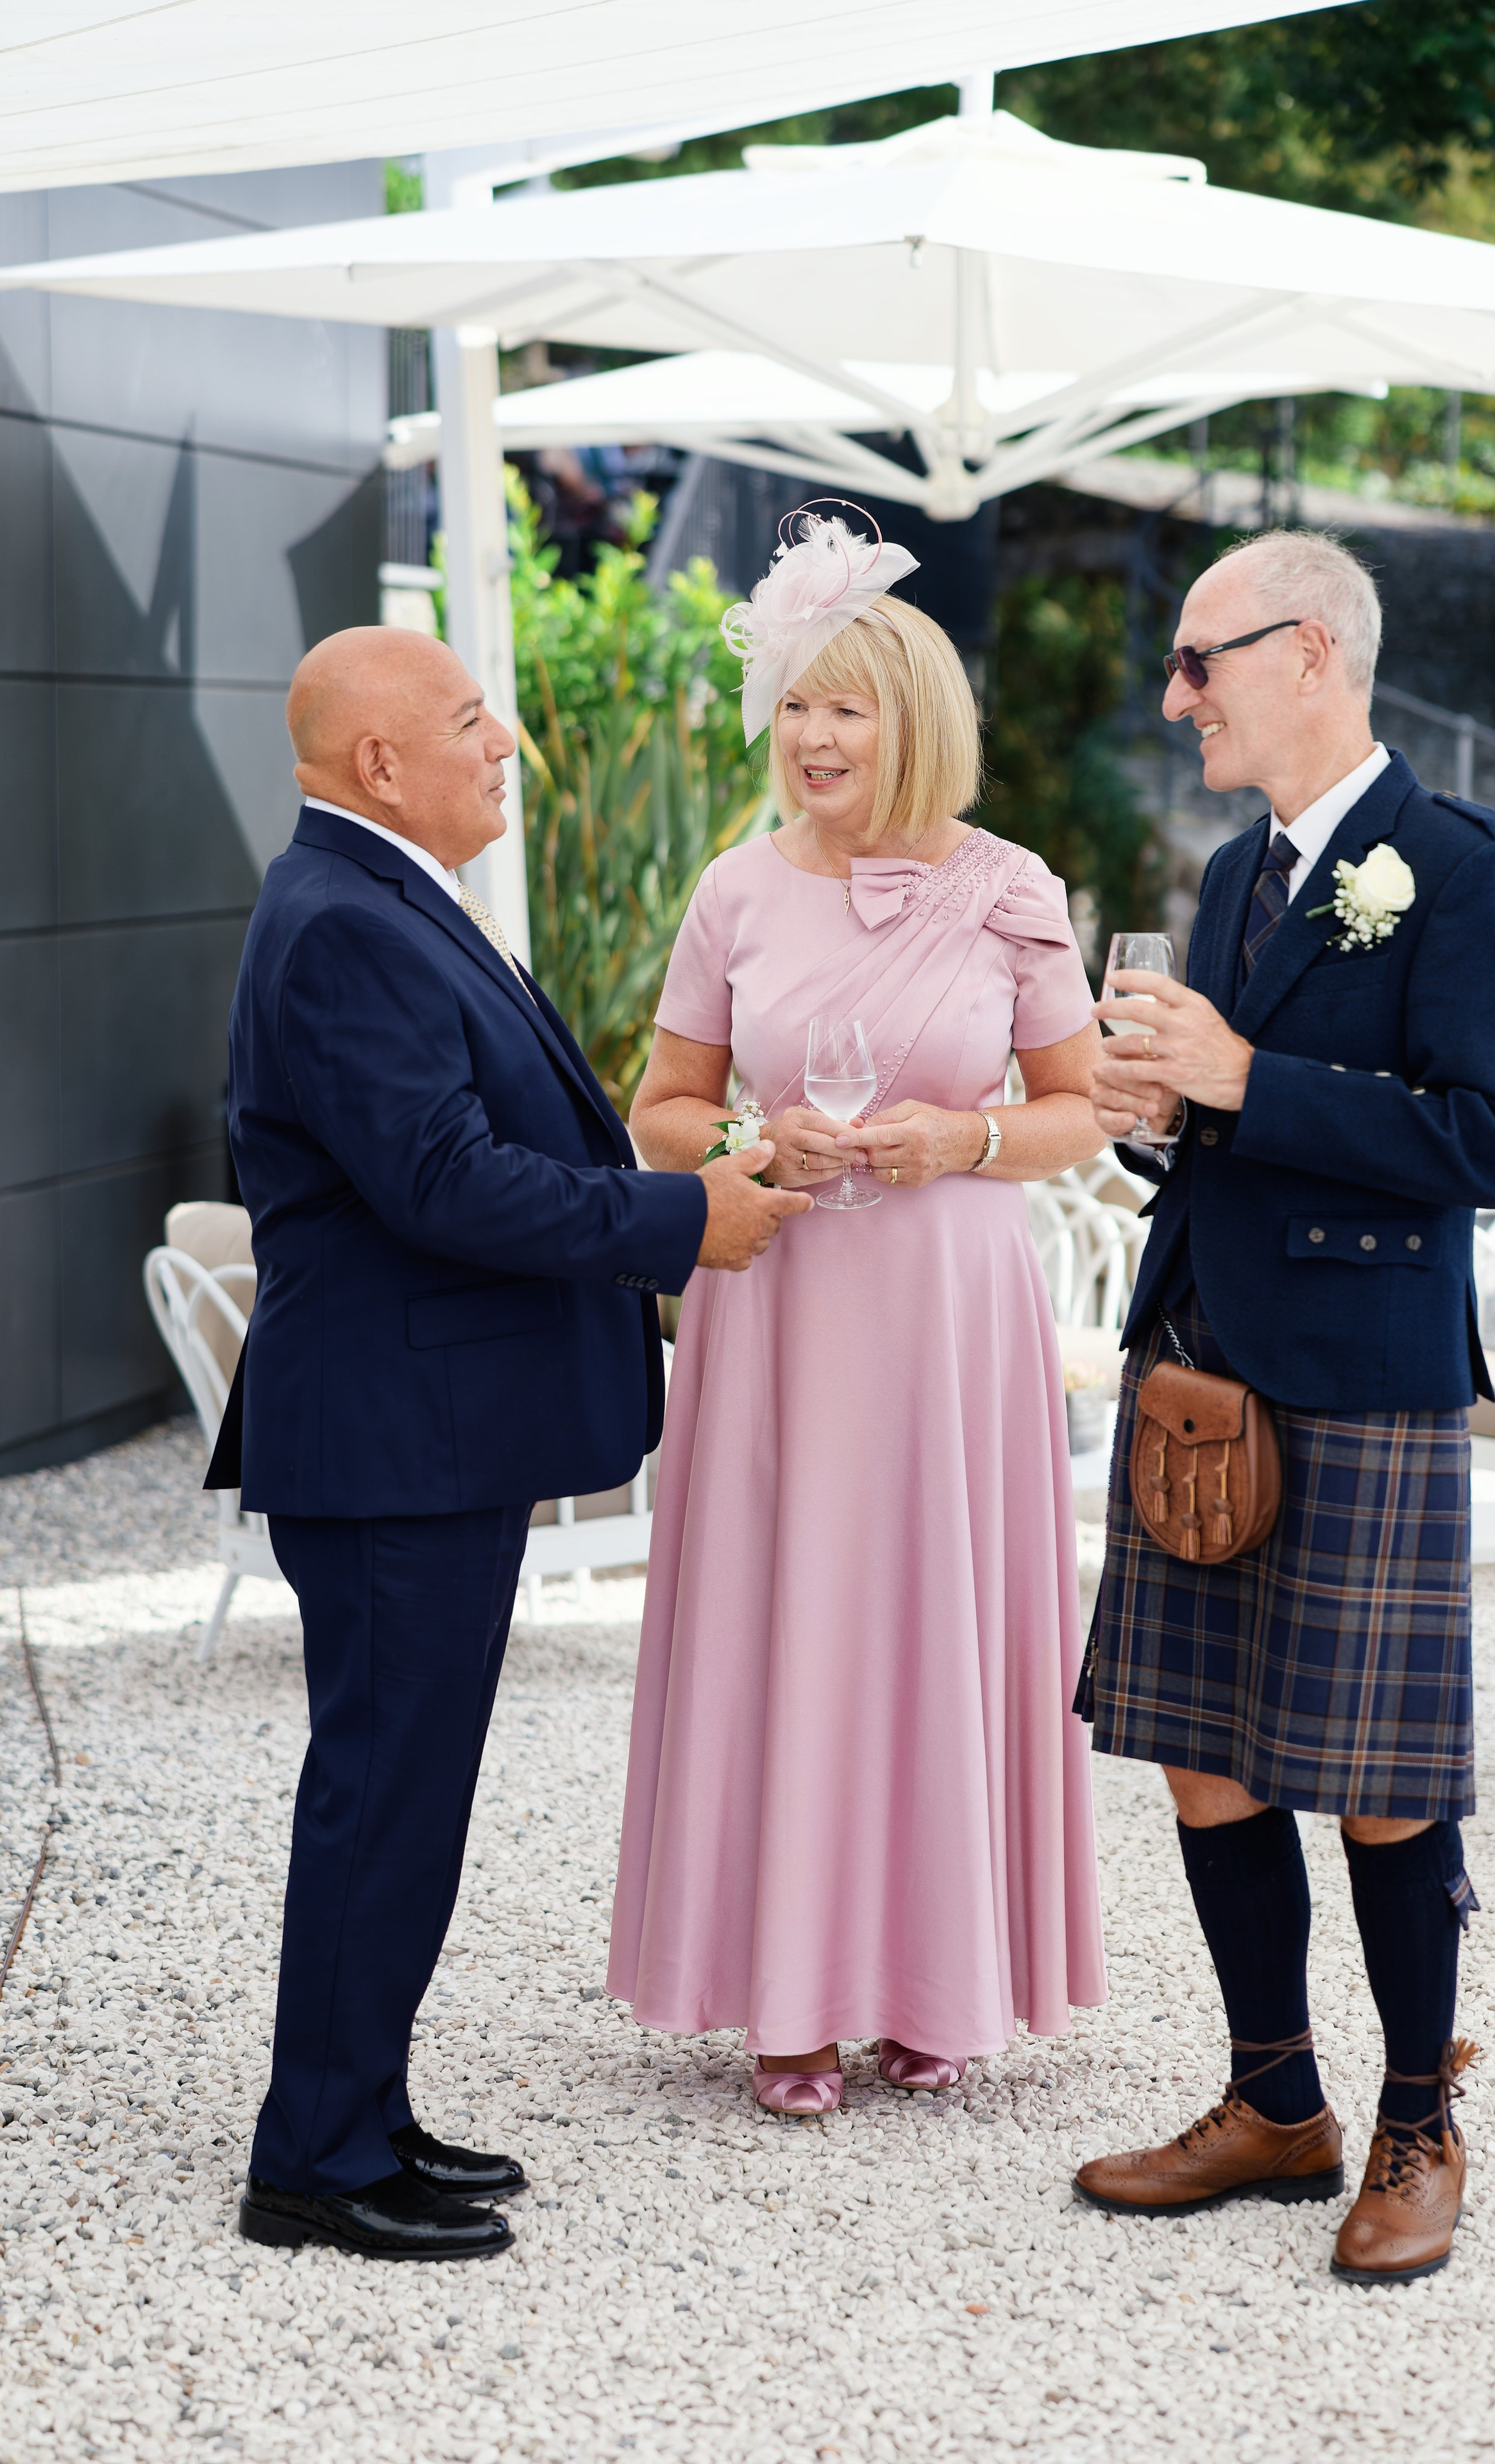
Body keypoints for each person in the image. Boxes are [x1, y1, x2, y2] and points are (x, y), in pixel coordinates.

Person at [211, 626, 806, 2261]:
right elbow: (445, 1183)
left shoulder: (382, 896)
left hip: (425, 1439)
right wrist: (685, 1215)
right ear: (377, 763)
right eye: (471, 720)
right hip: (394, 1443)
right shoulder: (344, 921)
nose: (510, 745)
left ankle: (364, 2109)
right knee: (380, 1796)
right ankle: (313, 2163)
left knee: (408, 1792)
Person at [1072, 530, 1495, 2283]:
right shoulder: (1228, 874)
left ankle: (1420, 2121)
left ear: (1313, 654)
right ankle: (1277, 2100)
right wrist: (1163, 1113)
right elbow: (1222, 1117)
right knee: (1204, 1745)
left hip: (1359, 1379)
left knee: (1377, 1776)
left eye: (1204, 659)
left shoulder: (1463, 866)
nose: (1177, 691)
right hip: (1197, 1362)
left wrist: (1248, 1079)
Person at [607, 511, 1106, 2113]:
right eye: (797, 704)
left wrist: (960, 1138)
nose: (813, 736)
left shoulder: (1010, 886)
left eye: (848, 705)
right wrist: (754, 1144)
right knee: (792, 1619)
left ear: (915, 719)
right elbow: (659, 1109)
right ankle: (788, 2000)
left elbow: (1081, 1108)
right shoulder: (734, 890)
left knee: (934, 1619)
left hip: (950, 1316)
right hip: (783, 1305)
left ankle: (934, 1982)